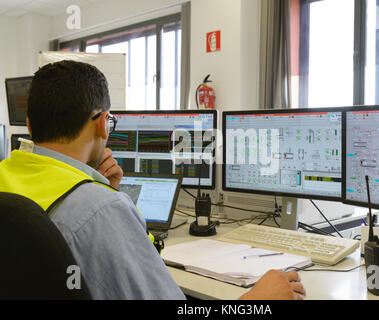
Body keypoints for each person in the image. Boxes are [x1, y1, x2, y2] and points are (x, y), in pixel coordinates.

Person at [0, 60, 306, 300]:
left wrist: (103, 194)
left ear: (29, 124)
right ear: (102, 125)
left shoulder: (7, 180)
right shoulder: (100, 209)